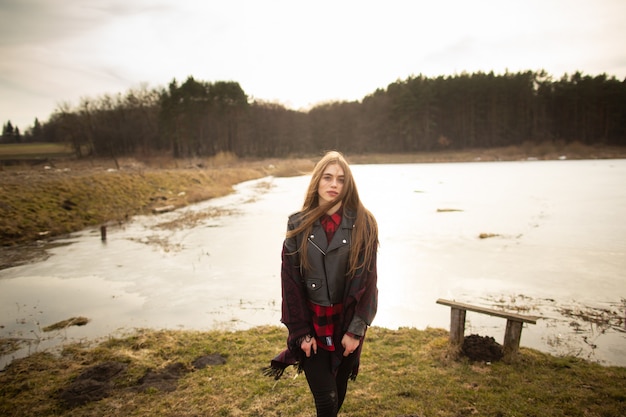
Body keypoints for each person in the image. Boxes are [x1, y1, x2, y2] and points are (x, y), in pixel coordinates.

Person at [264, 150, 379, 417]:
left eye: (341, 179)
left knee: (337, 393)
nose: (334, 185)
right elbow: (290, 283)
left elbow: (370, 281)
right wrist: (301, 331)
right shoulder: (298, 224)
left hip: (346, 323)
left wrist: (356, 330)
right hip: (312, 324)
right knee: (326, 400)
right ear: (317, 181)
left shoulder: (364, 223)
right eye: (327, 178)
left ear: (347, 185)